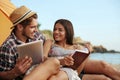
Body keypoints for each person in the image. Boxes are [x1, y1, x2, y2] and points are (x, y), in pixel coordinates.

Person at [43, 19, 120, 80]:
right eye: (55, 29)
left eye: (60, 30)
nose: (56, 32)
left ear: (68, 32)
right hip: (63, 70)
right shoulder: (50, 42)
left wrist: (87, 52)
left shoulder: (76, 47)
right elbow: (43, 59)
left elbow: (82, 62)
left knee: (103, 65)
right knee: (104, 78)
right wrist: (62, 61)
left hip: (78, 69)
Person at [0, 6, 60, 80]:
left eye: (36, 26)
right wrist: (15, 72)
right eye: (32, 27)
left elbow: (49, 41)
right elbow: (1, 75)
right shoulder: (8, 47)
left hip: (43, 74)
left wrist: (45, 54)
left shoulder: (37, 36)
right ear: (20, 27)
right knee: (54, 63)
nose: (36, 30)